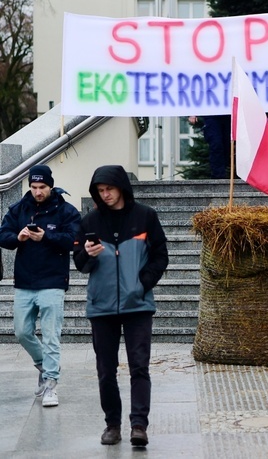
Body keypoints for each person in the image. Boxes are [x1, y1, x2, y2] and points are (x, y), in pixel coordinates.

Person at [73, 165, 169, 447]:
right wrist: (88, 255)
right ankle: (112, 425)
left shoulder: (145, 216)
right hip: (101, 307)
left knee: (139, 366)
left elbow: (160, 256)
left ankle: (139, 425)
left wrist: (142, 284)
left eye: (109, 189)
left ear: (122, 188)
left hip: (137, 305)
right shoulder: (89, 221)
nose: (105, 195)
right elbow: (79, 263)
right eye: (100, 191)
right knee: (106, 370)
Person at [0, 165, 81, 408]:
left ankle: (51, 385)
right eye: (34, 187)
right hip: (25, 282)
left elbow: (74, 241)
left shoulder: (66, 210)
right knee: (22, 332)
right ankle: (45, 366)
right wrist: (19, 237)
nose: (37, 192)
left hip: (53, 282)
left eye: (42, 187)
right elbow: (3, 235)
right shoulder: (18, 209)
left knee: (50, 336)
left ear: (50, 186)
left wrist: (46, 236)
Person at [188, 114, 232, 179]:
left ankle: (222, 172)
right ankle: (218, 176)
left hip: (228, 115)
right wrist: (192, 113)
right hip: (211, 116)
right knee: (216, 144)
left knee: (227, 146)